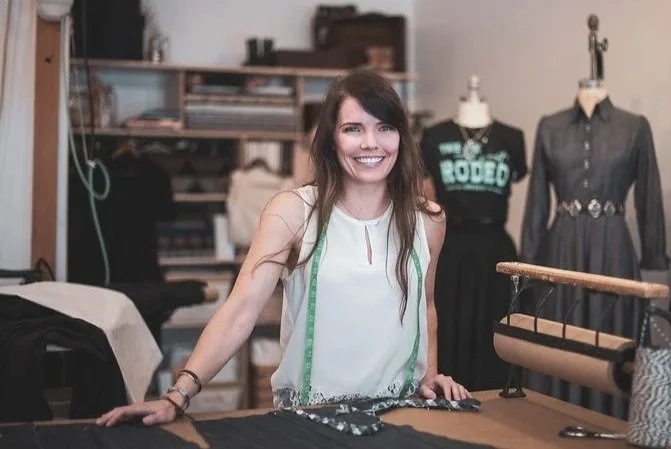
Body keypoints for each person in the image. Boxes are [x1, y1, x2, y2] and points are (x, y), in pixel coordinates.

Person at [97, 69, 470, 427]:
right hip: (313, 420)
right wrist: (177, 396)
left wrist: (429, 380)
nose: (370, 143)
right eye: (353, 129)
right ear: (330, 139)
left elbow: (426, 306)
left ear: (401, 137)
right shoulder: (293, 212)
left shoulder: (428, 219)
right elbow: (241, 310)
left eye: (384, 128)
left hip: (400, 418)